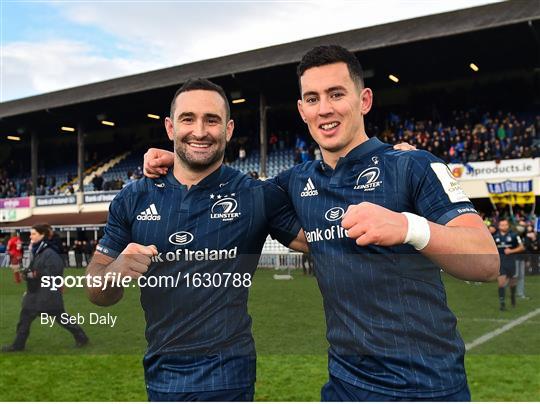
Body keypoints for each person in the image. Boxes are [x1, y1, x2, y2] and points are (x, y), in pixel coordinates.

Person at [145, 46, 499, 401]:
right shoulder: (294, 184)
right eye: (312, 98)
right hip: (344, 388)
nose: (325, 109)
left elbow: (486, 260)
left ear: (364, 100)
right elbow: (227, 190)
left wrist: (409, 227)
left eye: (336, 94)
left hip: (427, 388)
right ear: (302, 110)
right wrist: (179, 160)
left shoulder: (412, 166)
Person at [86, 79, 306, 402]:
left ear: (229, 129)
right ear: (170, 127)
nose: (200, 131)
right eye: (188, 119)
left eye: (212, 120)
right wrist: (116, 270)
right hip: (161, 378)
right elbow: (95, 289)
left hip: (229, 378)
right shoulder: (132, 198)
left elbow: (323, 241)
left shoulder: (255, 195)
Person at [2, 224, 89, 352]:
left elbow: (54, 273)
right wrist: (27, 273)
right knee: (25, 317)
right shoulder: (39, 251)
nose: (30, 236)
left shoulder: (49, 253)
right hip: (35, 294)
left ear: (42, 235)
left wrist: (35, 274)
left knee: (61, 317)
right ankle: (18, 345)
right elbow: (36, 270)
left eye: (34, 234)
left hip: (47, 294)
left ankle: (82, 337)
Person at [493, 219, 525, 310]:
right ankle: (502, 304)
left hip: (511, 262)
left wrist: (511, 251)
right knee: (501, 283)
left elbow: (522, 247)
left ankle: (512, 297)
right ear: (499, 226)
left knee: (512, 283)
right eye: (501, 225)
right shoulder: (495, 237)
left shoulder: (514, 235)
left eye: (505, 225)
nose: (503, 226)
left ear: (508, 226)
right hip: (501, 263)